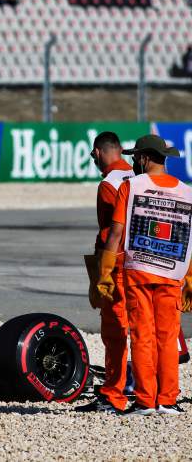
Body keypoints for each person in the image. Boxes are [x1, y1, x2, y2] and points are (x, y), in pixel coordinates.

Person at [96, 135, 192, 416]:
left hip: (138, 271)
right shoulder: (186, 192)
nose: (134, 161)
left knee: (142, 337)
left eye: (137, 156)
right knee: (167, 336)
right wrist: (189, 279)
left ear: (145, 158)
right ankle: (168, 400)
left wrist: (104, 272)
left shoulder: (131, 186)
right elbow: (189, 239)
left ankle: (146, 401)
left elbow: (115, 232)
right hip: (172, 273)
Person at [76, 132, 134, 414]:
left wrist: (102, 271)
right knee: (147, 331)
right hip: (146, 264)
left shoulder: (108, 184)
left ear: (97, 153)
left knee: (114, 331)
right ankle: (153, 392)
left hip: (118, 263)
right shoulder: (140, 176)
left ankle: (114, 392)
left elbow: (110, 232)